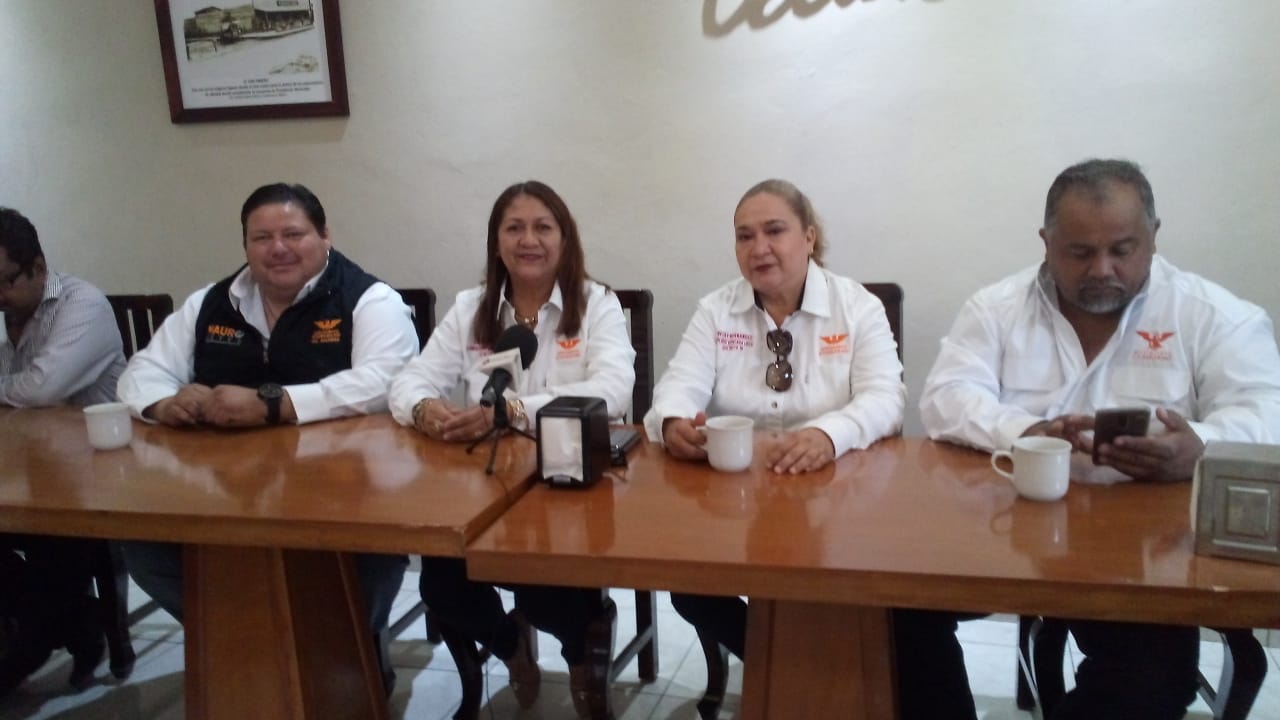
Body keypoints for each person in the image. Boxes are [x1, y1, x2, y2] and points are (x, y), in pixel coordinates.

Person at [915, 159, 1280, 720]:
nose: (1102, 269)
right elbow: (945, 396)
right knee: (892, 615)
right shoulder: (997, 308)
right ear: (1046, 242)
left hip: (1145, 556)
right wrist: (1025, 432)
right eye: (1080, 253)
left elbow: (1267, 410)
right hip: (1007, 537)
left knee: (1150, 680)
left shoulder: (1211, 314)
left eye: (1122, 250)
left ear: (1154, 237)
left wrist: (1200, 446)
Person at [115, 183, 419, 693]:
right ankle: (242, 641)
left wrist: (272, 404)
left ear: (324, 236)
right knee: (143, 543)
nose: (278, 248)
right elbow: (141, 372)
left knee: (371, 558)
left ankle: (345, 657)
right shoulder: (210, 303)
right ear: (246, 246)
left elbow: (385, 382)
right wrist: (164, 403)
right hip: (225, 493)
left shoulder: (369, 299)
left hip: (343, 494)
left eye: (293, 234)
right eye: (262, 238)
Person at [389, 180, 634, 718]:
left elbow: (613, 391)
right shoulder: (470, 308)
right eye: (514, 228)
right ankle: (508, 644)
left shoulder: (596, 304)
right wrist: (425, 410)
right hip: (486, 483)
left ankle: (579, 658)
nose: (529, 240)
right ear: (496, 241)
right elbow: (409, 381)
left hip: (566, 482)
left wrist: (514, 410)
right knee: (441, 582)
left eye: (543, 227)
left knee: (547, 589)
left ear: (565, 239)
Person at [641, 179, 905, 664]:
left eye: (774, 231)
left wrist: (828, 435)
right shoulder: (716, 311)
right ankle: (785, 666)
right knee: (689, 586)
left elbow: (887, 398)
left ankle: (804, 671)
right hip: (738, 498)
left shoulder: (857, 307)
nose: (758, 248)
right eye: (745, 236)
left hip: (837, 499)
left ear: (809, 237)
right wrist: (673, 422)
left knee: (843, 586)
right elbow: (677, 387)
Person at [0, 207, 128, 696]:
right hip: (30, 466)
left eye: (5, 281)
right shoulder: (12, 310)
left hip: (98, 471)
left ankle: (33, 649)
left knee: (52, 545)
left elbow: (41, 389)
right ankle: (78, 622)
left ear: (38, 267)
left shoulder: (83, 305)